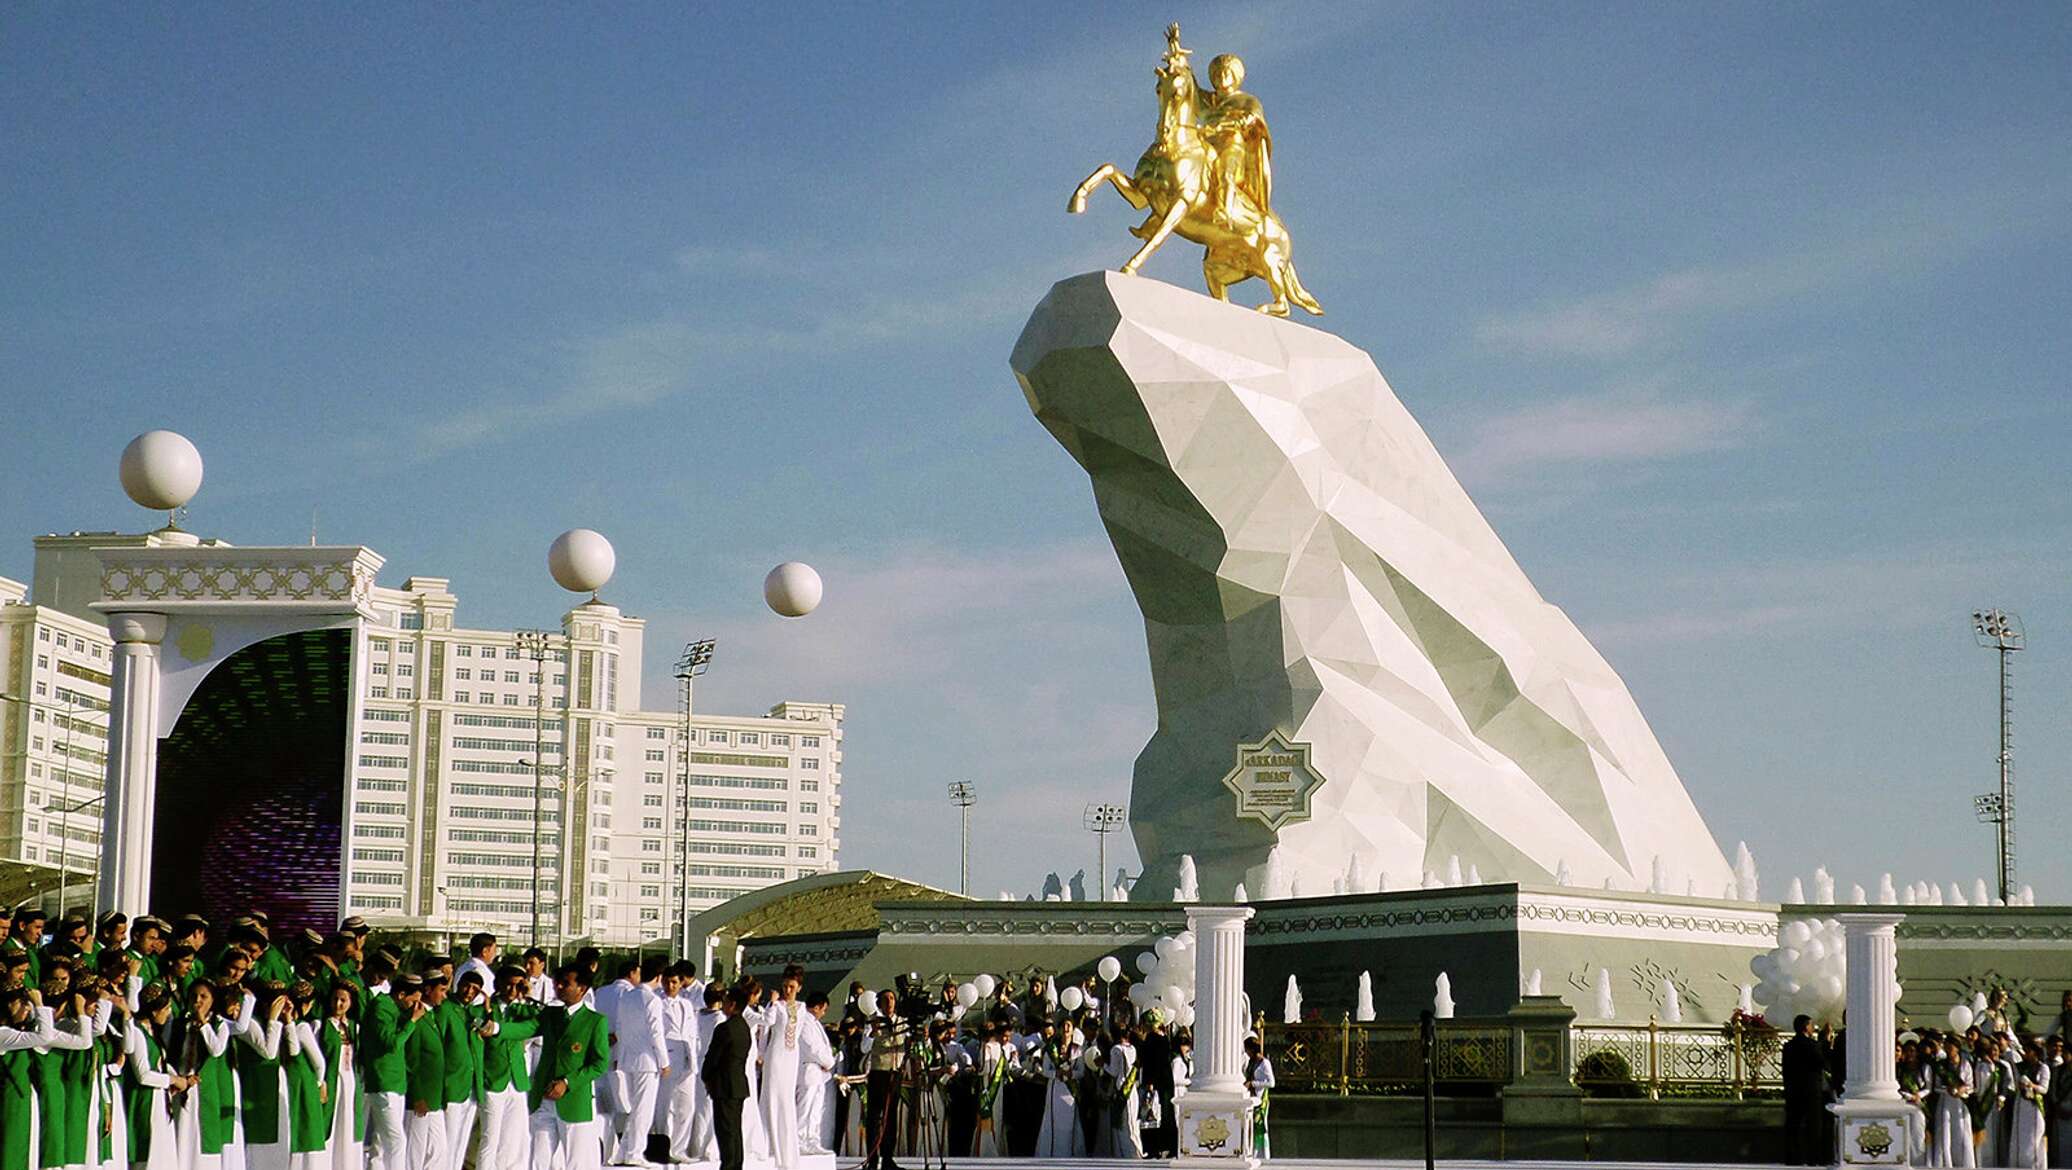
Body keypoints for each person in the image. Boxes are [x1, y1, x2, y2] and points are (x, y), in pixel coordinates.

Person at [529, 965, 610, 1170]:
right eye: (557, 981)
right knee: (539, 1159)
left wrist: (567, 1082)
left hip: (573, 1100)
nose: (558, 986)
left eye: (566, 983)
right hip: (544, 1098)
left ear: (581, 988)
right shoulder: (551, 1014)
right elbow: (525, 1028)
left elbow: (600, 1064)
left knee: (577, 1162)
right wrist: (497, 1029)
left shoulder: (595, 1021)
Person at [476, 967, 538, 1170]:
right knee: (490, 1138)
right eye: (509, 984)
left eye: (517, 984)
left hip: (517, 1079)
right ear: (499, 984)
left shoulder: (521, 1009)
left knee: (516, 1136)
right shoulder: (486, 1007)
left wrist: (528, 994)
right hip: (493, 1078)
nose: (512, 989)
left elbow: (541, 1018)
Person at [605, 959, 665, 1168]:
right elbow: (656, 1033)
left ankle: (624, 1151)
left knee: (636, 1108)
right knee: (643, 1109)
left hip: (628, 1058)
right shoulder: (653, 1000)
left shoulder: (627, 997)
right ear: (658, 977)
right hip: (647, 1061)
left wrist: (619, 1056)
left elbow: (620, 1028)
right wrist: (664, 1062)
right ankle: (634, 1152)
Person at [363, 974, 426, 1170]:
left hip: (396, 1084)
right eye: (413, 1000)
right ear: (400, 994)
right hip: (384, 1082)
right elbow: (392, 1044)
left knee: (381, 1141)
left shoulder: (395, 1009)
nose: (415, 1005)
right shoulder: (381, 1008)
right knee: (397, 1141)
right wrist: (412, 1021)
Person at [759, 968, 808, 1170]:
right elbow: (767, 1025)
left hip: (791, 1056)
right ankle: (767, 1146)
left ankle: (786, 1148)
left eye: (792, 987)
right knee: (771, 1096)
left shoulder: (802, 1007)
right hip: (776, 1055)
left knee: (787, 1100)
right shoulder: (776, 1006)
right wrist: (772, 1002)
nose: (788, 990)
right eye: (786, 986)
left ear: (799, 988)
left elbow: (799, 1033)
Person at [700, 986, 751, 1170]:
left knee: (725, 1130)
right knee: (735, 1130)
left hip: (724, 1085)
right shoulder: (744, 1028)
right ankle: (736, 1165)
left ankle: (728, 1166)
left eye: (727, 1001)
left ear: (733, 1004)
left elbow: (713, 1056)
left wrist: (705, 1076)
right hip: (738, 1083)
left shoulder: (725, 1028)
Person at [404, 974, 451, 1170]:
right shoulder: (416, 1020)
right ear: (427, 990)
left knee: (439, 1152)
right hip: (421, 1098)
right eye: (441, 990)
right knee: (414, 1152)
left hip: (435, 1098)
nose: (444, 996)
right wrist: (417, 1096)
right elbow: (411, 1062)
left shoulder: (431, 1016)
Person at [281, 983, 329, 1170]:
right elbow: (319, 1062)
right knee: (303, 1128)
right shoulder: (300, 1027)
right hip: (303, 1081)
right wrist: (318, 1083)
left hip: (293, 1080)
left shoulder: (286, 1025)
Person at [861, 990, 910, 1170]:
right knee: (875, 1118)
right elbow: (864, 1047)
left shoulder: (901, 1020)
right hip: (878, 1073)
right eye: (885, 999)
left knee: (891, 1118)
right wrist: (873, 1033)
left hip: (894, 1073)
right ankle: (872, 1159)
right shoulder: (873, 1020)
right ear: (879, 1003)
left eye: (892, 998)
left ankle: (888, 1158)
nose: (889, 1002)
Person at [657, 964, 700, 1165]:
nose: (670, 985)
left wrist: (694, 1056)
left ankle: (680, 1148)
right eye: (667, 981)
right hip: (667, 1058)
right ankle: (665, 1146)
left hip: (687, 1059)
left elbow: (692, 1032)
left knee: (686, 1106)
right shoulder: (657, 1002)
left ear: (681, 983)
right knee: (666, 1106)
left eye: (674, 982)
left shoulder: (687, 1004)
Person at [318, 984, 361, 1170]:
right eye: (335, 999)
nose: (338, 1004)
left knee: (348, 1122)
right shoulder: (322, 1025)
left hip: (350, 1079)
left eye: (343, 1000)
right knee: (331, 1120)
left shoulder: (355, 1028)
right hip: (331, 1079)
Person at [1781, 1014, 1830, 1165]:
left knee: (1793, 1124)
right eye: (1811, 1025)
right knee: (1813, 1125)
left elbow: (1785, 1069)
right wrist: (1826, 1043)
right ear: (1806, 1027)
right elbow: (1823, 1062)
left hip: (1793, 1090)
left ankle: (1792, 1157)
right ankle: (1813, 1157)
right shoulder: (1812, 1045)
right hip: (1811, 1090)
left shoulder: (1788, 1046)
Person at [795, 992, 837, 1157]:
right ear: (817, 1007)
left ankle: (812, 1139)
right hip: (809, 1068)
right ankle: (799, 1140)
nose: (823, 1013)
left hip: (818, 1072)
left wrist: (827, 1061)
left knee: (815, 1108)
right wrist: (828, 1061)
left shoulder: (814, 1023)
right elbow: (811, 1046)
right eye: (823, 1010)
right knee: (805, 1108)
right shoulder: (804, 1020)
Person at [1033, 1018, 1081, 1158]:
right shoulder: (1051, 1047)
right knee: (1055, 1123)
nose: (1066, 1028)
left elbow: (1081, 1071)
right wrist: (1056, 1073)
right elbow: (1045, 1071)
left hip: (1070, 1092)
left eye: (1069, 1025)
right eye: (1063, 1025)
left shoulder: (1078, 1049)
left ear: (1073, 1029)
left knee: (1069, 1125)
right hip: (1055, 1090)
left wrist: (1072, 1074)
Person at [1932, 1035, 1976, 1168]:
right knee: (1945, 1129)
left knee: (1962, 1130)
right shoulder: (1941, 1066)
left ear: (1957, 1049)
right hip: (1946, 1102)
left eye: (1951, 1047)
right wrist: (1948, 1089)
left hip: (1961, 1103)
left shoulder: (1965, 1064)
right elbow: (1936, 1087)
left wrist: (1963, 1089)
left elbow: (1971, 1085)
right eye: (1946, 1047)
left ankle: (1964, 1162)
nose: (1948, 1050)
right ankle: (1946, 1162)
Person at [2012, 1038, 2050, 1169]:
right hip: (2021, 1104)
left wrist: (2031, 1085)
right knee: (2020, 1137)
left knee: (2033, 1139)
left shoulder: (2043, 1068)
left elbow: (2044, 1089)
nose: (2026, 1053)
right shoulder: (2022, 1067)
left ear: (2035, 1053)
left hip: (2034, 1106)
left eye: (2029, 1051)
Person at [1243, 1033, 1274, 1160]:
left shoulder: (1264, 1063)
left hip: (1260, 1098)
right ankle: (1252, 1151)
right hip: (1251, 1098)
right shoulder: (1251, 1062)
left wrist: (1254, 1084)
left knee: (1260, 1127)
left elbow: (1271, 1082)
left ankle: (1262, 1154)